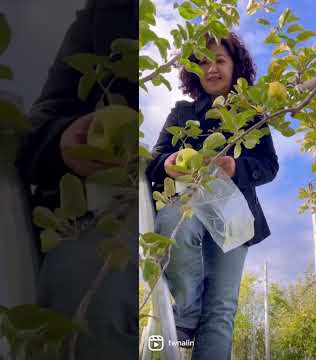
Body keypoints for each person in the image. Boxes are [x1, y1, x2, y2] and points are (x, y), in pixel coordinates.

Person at [15, 1, 139, 359]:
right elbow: (36, 129)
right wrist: (63, 139)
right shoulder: (106, 15)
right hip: (103, 207)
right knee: (93, 301)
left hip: (181, 205)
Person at [146, 32, 279, 359]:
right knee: (172, 223)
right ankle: (187, 311)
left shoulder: (251, 115)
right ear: (193, 70)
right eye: (203, 62)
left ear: (235, 67)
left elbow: (269, 165)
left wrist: (236, 167)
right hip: (188, 204)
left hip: (234, 218)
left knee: (220, 310)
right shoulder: (181, 114)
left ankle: (194, 327)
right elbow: (154, 161)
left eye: (220, 60)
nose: (212, 69)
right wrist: (169, 163)